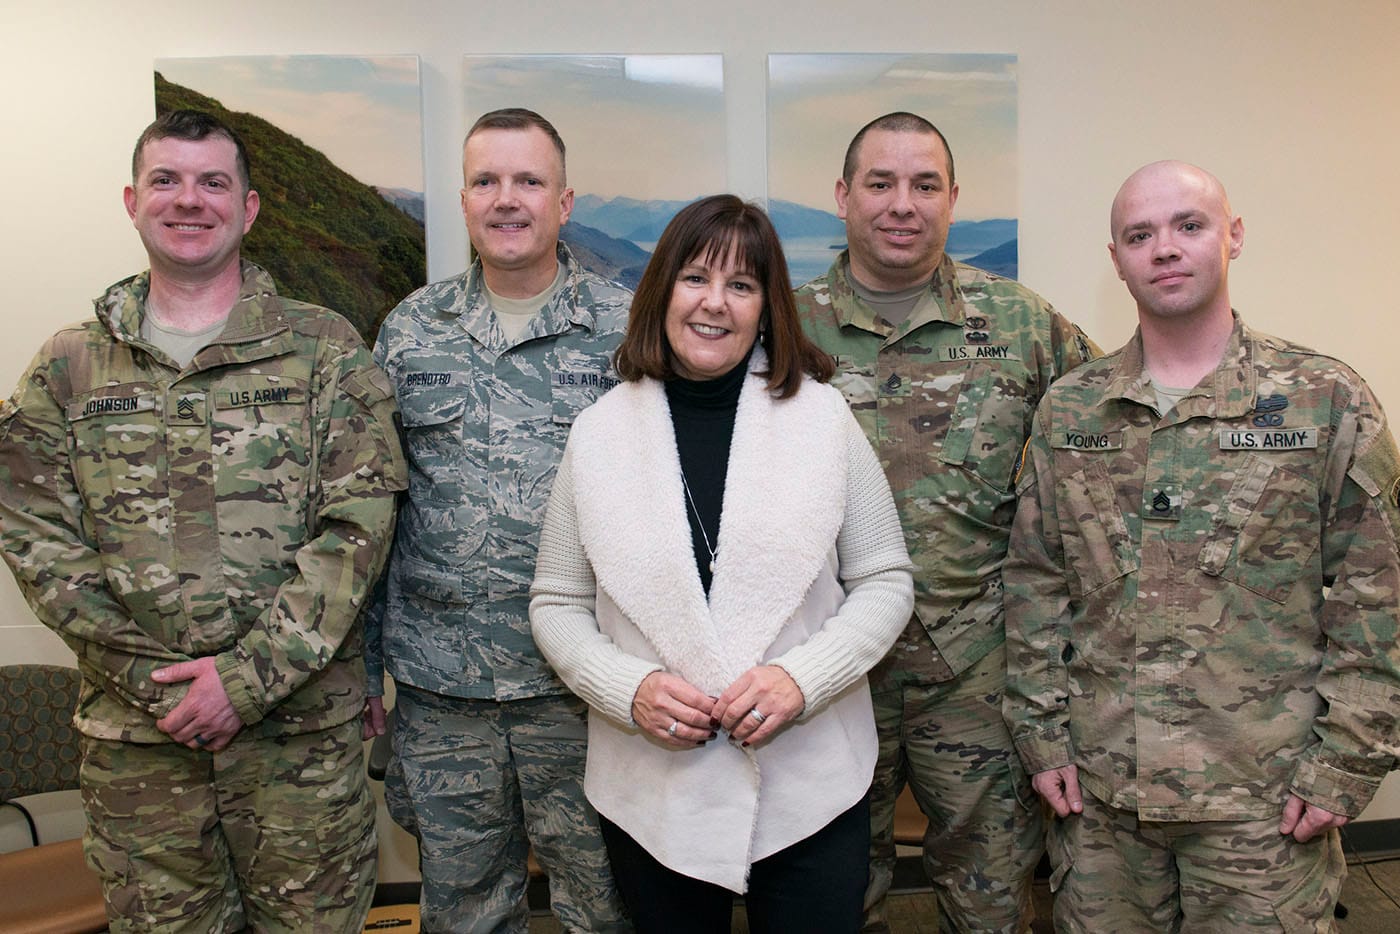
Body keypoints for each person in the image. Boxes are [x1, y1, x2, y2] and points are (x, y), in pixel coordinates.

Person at [0, 109, 404, 932]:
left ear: (248, 208)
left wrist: (245, 680)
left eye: (214, 182)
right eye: (167, 181)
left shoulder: (326, 352)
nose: (190, 200)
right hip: (142, 755)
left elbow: (357, 533)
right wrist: (166, 687)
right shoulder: (68, 366)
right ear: (132, 199)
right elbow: (37, 542)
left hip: (300, 754)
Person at [1004, 160, 1400, 931]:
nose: (1165, 249)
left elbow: (1375, 598)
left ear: (1234, 236)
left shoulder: (1326, 401)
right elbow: (1035, 584)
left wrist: (1345, 764)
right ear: (1116, 259)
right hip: (1102, 799)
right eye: (1139, 235)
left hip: (1263, 802)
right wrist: (1040, 737)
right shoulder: (1071, 410)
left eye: (1189, 225)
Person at [528, 194, 914, 933]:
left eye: (741, 285)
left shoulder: (824, 421)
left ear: (767, 308)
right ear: (661, 291)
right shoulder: (599, 434)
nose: (715, 303)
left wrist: (805, 679)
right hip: (655, 790)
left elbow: (885, 580)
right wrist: (626, 687)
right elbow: (556, 599)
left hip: (810, 783)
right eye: (695, 278)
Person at [793, 111, 1099, 933]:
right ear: (842, 195)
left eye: (924, 185)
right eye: (881, 183)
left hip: (977, 672)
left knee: (990, 893)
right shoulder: (784, 330)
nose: (903, 204)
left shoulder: (1023, 325)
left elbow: (1114, 436)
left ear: (953, 199)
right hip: (828, 673)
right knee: (829, 896)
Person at [364, 108, 631, 933]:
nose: (506, 199)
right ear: (463, 198)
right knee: (466, 913)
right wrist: (365, 670)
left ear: (564, 200)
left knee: (608, 909)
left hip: (586, 691)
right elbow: (376, 510)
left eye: (528, 181)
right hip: (447, 692)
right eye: (487, 181)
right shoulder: (411, 332)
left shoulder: (628, 332)